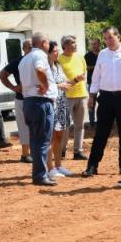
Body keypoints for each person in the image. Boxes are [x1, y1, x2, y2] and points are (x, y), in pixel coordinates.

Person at [83, 27, 121, 177]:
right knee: (101, 133)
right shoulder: (102, 54)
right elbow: (96, 77)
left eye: (110, 38)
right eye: (106, 38)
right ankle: (92, 166)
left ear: (118, 37)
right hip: (106, 98)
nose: (108, 41)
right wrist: (92, 96)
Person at [19, 32, 56, 186]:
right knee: (42, 139)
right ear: (43, 43)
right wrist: (46, 85)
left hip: (29, 101)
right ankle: (40, 175)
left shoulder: (24, 59)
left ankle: (39, 174)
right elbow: (40, 70)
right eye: (48, 43)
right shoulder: (39, 55)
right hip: (40, 102)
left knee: (35, 139)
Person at [0, 38, 33, 163]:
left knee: (36, 127)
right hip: (22, 99)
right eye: (29, 47)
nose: (31, 49)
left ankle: (35, 153)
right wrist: (13, 87)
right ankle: (25, 154)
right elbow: (2, 75)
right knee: (24, 127)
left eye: (33, 47)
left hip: (36, 98)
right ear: (23, 49)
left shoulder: (39, 61)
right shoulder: (18, 61)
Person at [46, 41, 76, 179]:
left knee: (59, 136)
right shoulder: (45, 67)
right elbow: (45, 85)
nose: (57, 53)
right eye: (55, 51)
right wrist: (60, 86)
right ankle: (50, 167)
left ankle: (58, 165)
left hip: (62, 104)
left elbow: (66, 83)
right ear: (48, 53)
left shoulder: (58, 66)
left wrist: (75, 80)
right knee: (50, 138)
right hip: (52, 105)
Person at [56, 35, 88, 159]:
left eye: (75, 42)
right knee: (65, 125)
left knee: (80, 125)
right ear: (66, 45)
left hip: (81, 94)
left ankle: (78, 151)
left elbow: (84, 72)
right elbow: (60, 80)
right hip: (66, 96)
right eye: (73, 43)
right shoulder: (59, 60)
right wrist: (74, 80)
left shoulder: (80, 57)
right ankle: (62, 151)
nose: (76, 45)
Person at [82, 36, 102, 156]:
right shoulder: (87, 56)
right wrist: (96, 67)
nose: (94, 46)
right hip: (91, 82)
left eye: (96, 44)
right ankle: (92, 123)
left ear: (99, 44)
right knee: (91, 103)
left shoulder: (103, 54)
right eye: (92, 44)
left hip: (104, 82)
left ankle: (101, 122)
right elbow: (85, 67)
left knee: (103, 104)